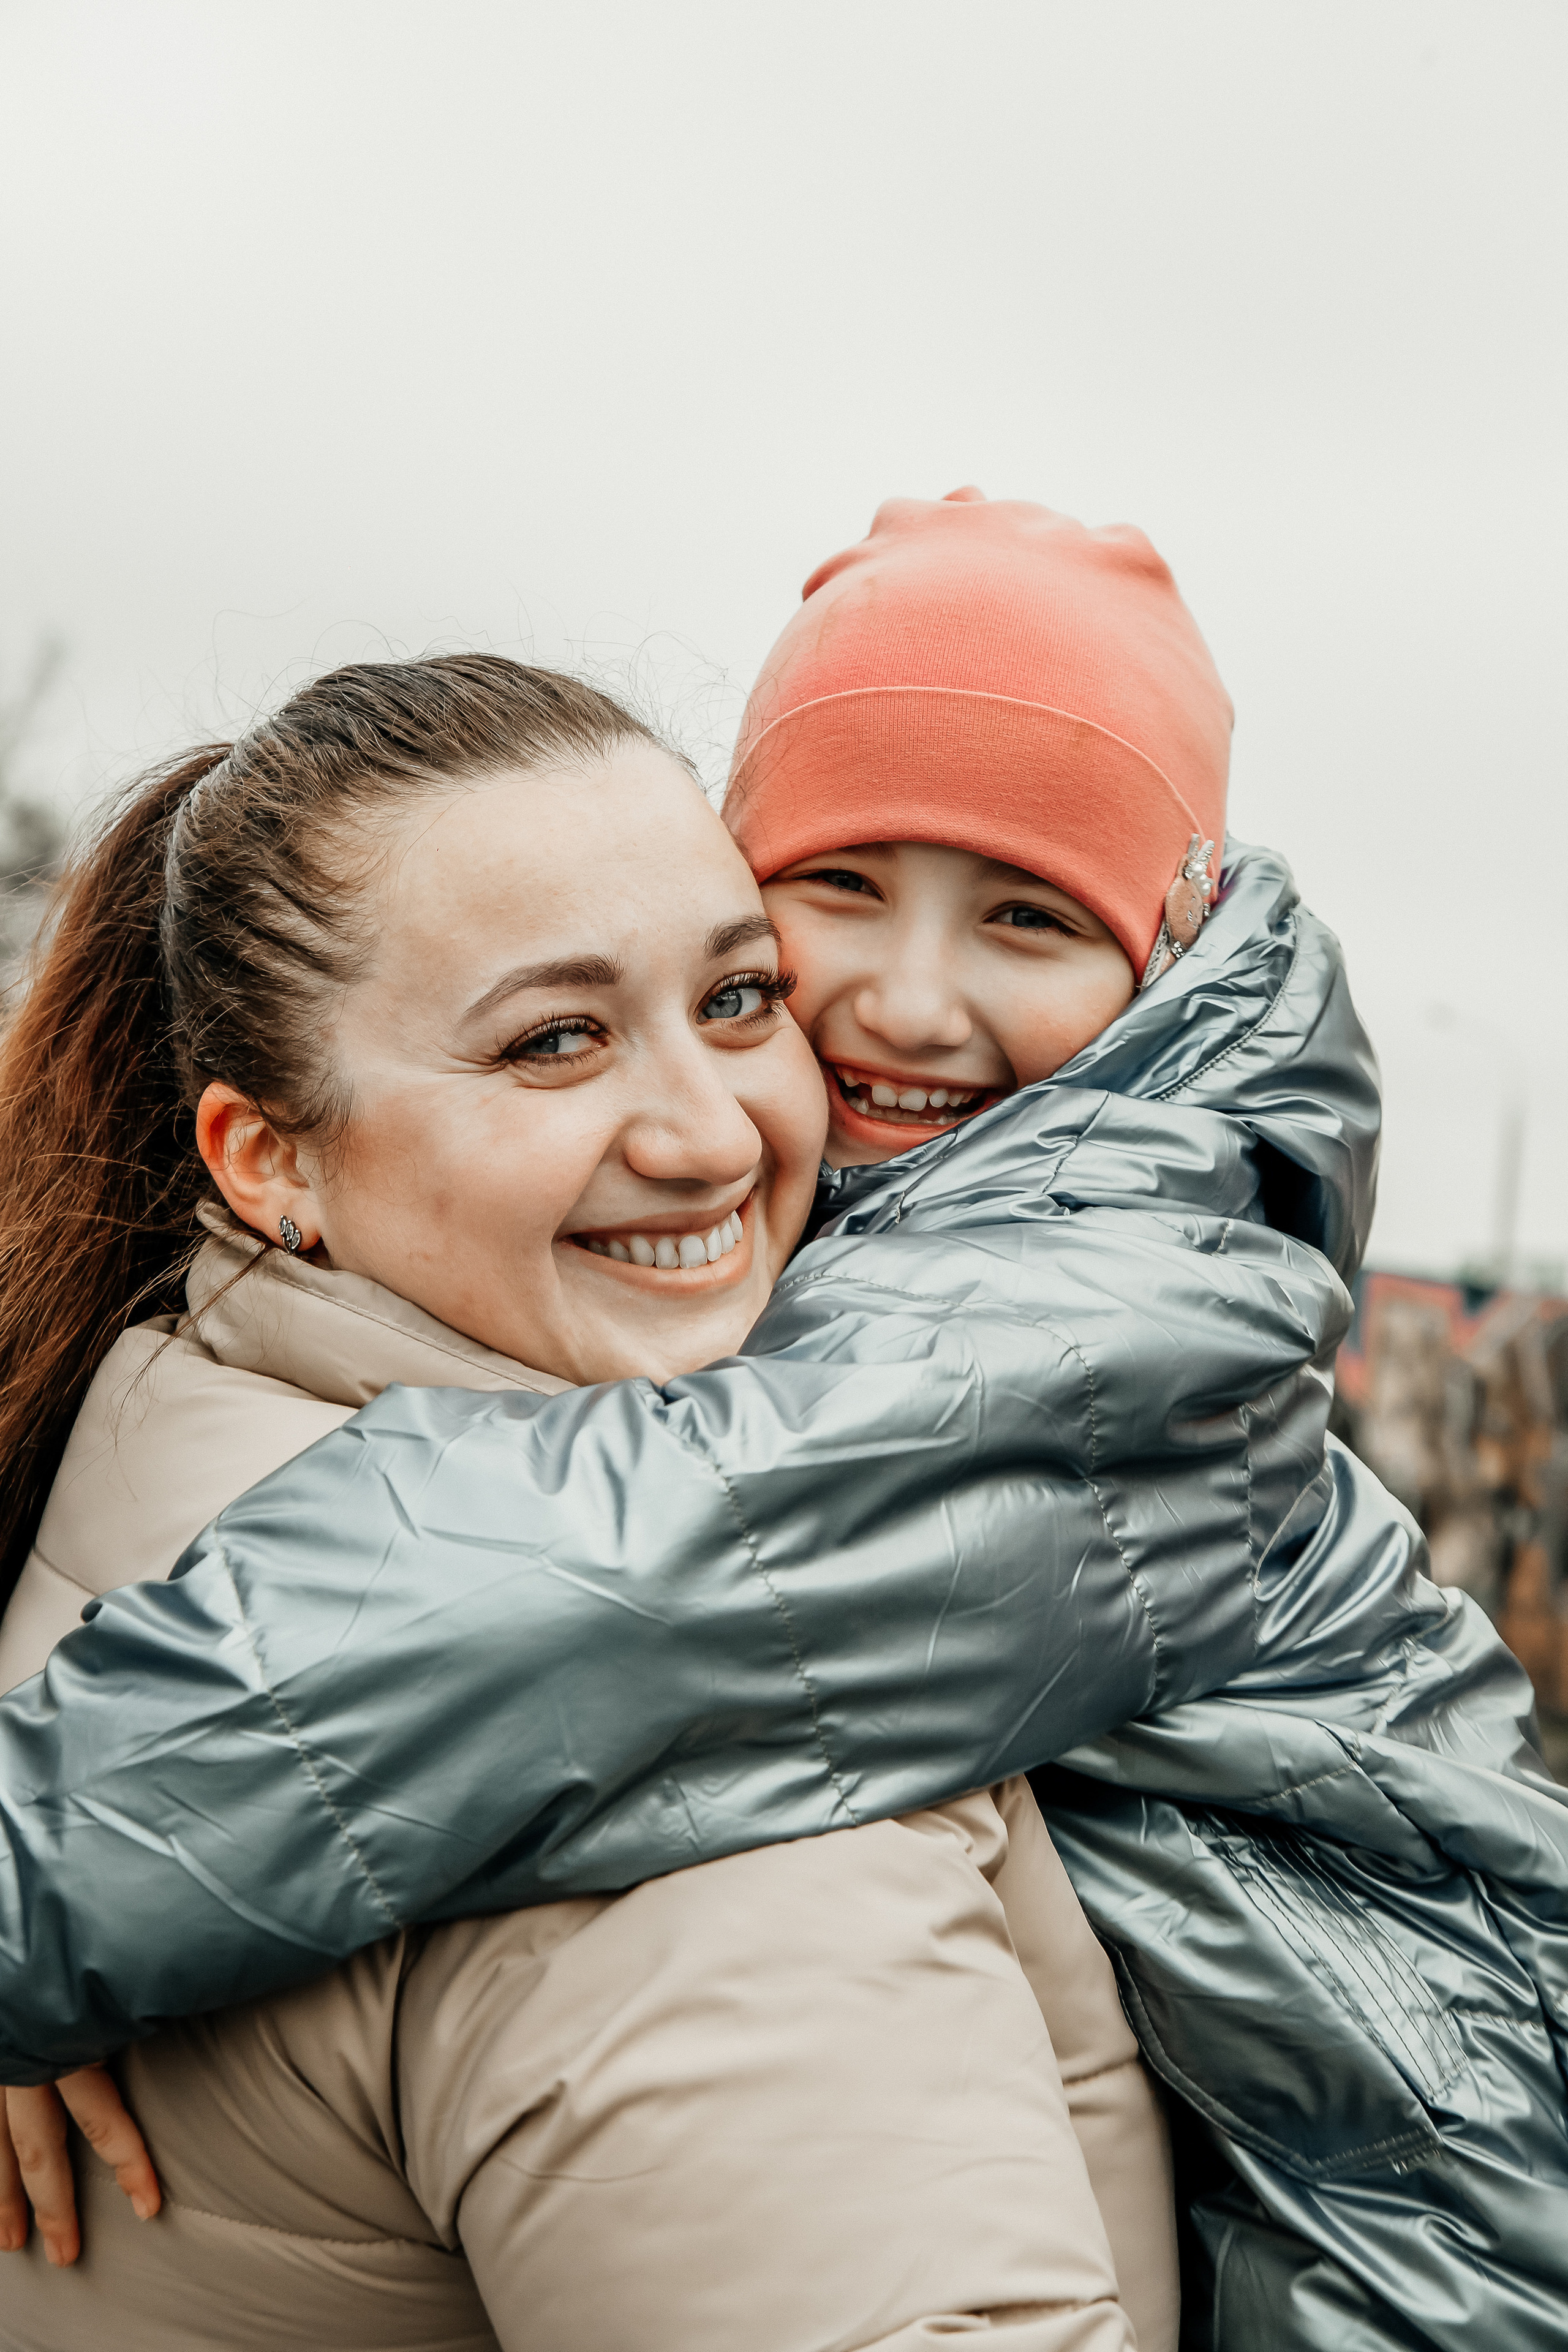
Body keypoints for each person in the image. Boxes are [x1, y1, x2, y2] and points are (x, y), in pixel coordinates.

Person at [7, 492, 1566, 2346]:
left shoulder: (1118, 1302)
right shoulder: (797, 1333)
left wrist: (55, 1876)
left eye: (1024, 916)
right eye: (827, 905)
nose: (903, 1004)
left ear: (1166, 958)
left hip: (1422, 2211)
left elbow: (619, 1585)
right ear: (264, 1160)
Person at [0, 655, 1167, 2351]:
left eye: (741, 1000)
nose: (713, 1136)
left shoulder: (144, 1458)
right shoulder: (692, 1728)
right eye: (555, 1042)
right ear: (270, 1160)